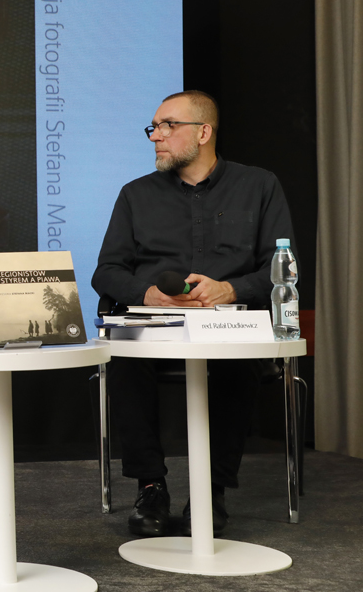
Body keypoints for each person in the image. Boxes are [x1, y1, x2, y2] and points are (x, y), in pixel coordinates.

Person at [92, 90, 295, 537]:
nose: (156, 136)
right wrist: (148, 293)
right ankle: (150, 487)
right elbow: (106, 272)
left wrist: (230, 288)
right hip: (157, 322)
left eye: (168, 126)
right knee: (123, 357)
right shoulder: (135, 194)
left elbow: (282, 268)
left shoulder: (259, 186)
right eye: (154, 127)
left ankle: (211, 490)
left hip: (229, 321)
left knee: (237, 361)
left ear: (203, 133)